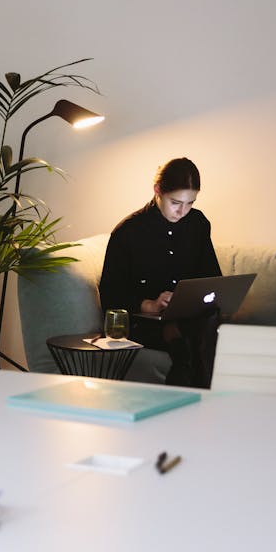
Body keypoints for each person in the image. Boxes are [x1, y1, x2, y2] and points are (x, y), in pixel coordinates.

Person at [98, 157, 221, 388]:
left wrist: (196, 298)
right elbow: (110, 296)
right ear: (158, 191)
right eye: (176, 202)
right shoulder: (128, 232)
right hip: (145, 322)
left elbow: (212, 278)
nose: (183, 211)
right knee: (195, 336)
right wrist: (149, 304)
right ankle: (202, 401)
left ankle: (185, 392)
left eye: (190, 203)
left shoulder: (198, 224)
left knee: (206, 324)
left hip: (192, 318)